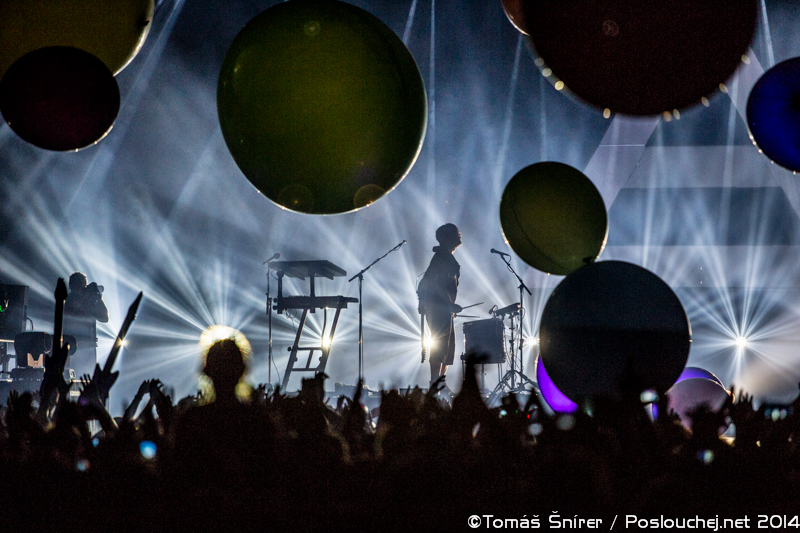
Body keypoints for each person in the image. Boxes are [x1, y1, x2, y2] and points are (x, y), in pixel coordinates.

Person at [417, 223, 463, 389]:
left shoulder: (444, 257)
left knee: (447, 348)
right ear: (447, 238)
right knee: (440, 347)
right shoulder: (442, 258)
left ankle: (439, 384)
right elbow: (436, 284)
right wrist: (450, 304)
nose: (459, 235)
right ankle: (435, 385)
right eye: (456, 233)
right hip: (438, 308)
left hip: (442, 308)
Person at [63, 272, 108, 377]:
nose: (84, 289)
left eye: (84, 286)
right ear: (72, 287)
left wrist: (98, 298)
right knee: (72, 376)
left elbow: (105, 318)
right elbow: (70, 315)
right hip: (73, 347)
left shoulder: (90, 302)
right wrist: (86, 296)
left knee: (88, 376)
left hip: (89, 346)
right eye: (81, 286)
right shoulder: (68, 300)